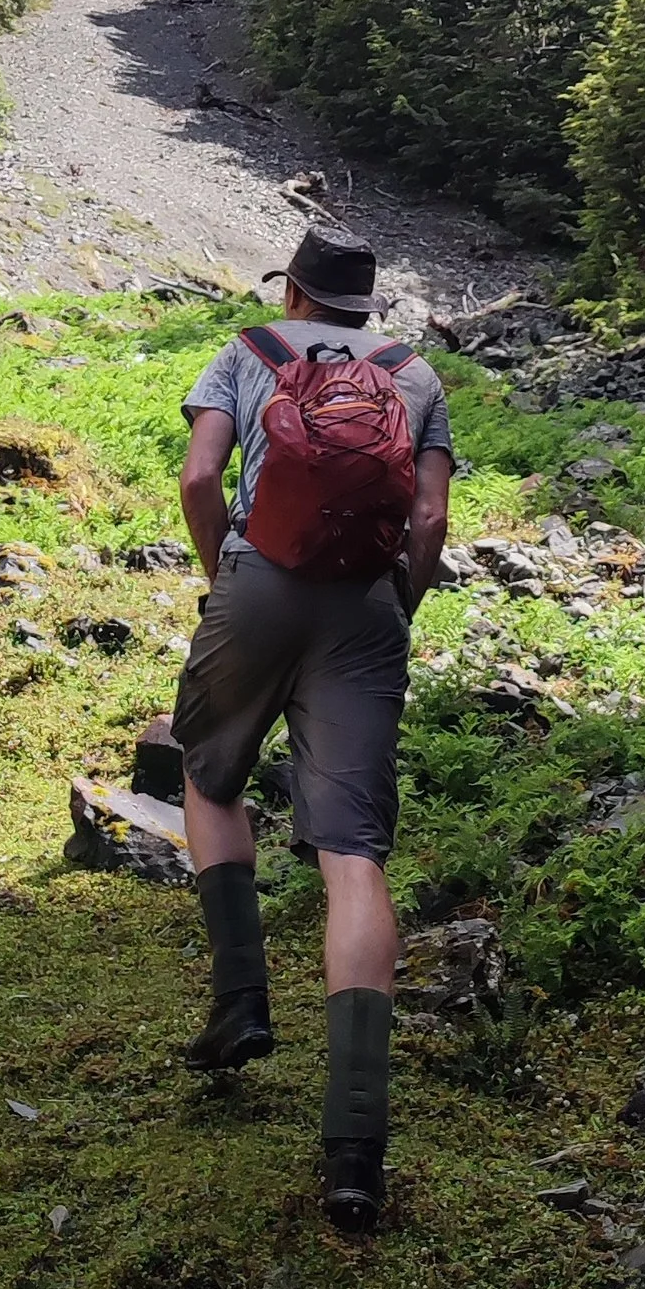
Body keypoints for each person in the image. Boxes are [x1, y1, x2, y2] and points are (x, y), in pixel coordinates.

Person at [168, 226, 453, 1235]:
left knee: (209, 777)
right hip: (365, 612)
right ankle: (354, 1157)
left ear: (291, 290)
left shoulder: (246, 352)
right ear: (364, 308)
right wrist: (395, 612)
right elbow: (426, 522)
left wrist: (225, 580)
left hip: (257, 584)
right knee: (354, 861)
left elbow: (203, 478)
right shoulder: (415, 377)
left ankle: (241, 1003)